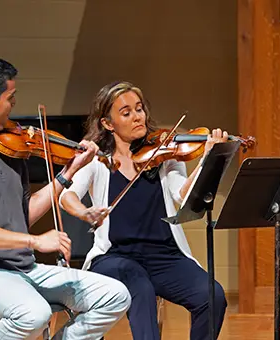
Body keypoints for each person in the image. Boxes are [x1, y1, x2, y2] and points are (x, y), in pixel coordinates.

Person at [0, 55, 131, 339]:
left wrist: (70, 171)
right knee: (34, 314)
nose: (13, 105)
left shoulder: (8, 146)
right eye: (10, 98)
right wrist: (34, 241)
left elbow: (21, 216)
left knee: (115, 294)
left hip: (21, 267)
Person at [59, 81, 229, 340]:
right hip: (114, 257)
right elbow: (67, 196)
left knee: (212, 296)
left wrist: (206, 159)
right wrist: (85, 213)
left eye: (139, 109)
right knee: (140, 286)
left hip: (165, 256)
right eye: (126, 113)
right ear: (107, 123)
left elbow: (182, 197)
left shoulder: (164, 154)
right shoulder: (98, 159)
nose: (137, 116)